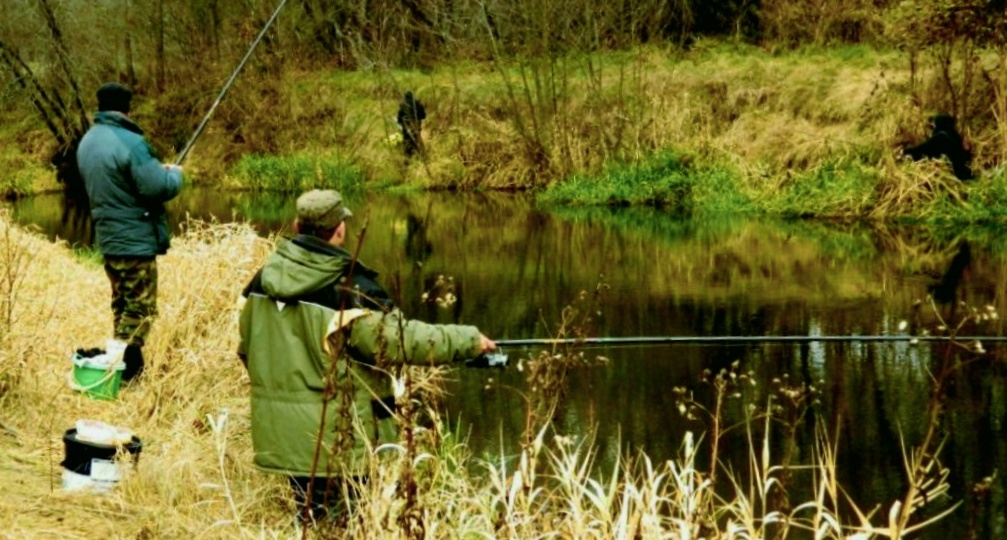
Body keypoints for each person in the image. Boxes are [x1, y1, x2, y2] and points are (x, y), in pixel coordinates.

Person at [236, 189, 496, 524]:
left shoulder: (261, 280)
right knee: (343, 522)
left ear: (298, 225)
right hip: (340, 442)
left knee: (312, 519)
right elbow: (401, 342)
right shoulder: (348, 289)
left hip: (282, 437)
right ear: (340, 229)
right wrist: (469, 340)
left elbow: (247, 349)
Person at [76, 82, 184, 381]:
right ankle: (125, 371)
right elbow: (156, 187)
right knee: (141, 308)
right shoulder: (131, 142)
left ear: (100, 106)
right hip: (135, 240)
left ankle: (122, 366)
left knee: (123, 303)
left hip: (108, 238)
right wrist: (174, 175)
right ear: (127, 108)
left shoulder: (87, 141)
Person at [904, 113, 974, 181]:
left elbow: (924, 147)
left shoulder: (941, 136)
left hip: (954, 172)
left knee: (917, 154)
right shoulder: (954, 135)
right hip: (962, 170)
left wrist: (906, 151)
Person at [396, 91, 426, 158]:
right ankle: (421, 155)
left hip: (406, 128)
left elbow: (399, 119)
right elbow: (424, 116)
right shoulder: (418, 104)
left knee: (407, 141)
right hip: (417, 126)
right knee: (417, 139)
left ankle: (408, 157)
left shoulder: (403, 106)